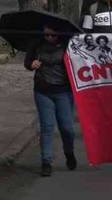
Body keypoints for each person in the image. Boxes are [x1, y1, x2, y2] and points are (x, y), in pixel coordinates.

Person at [25, 26, 75, 177]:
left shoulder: (68, 44)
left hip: (63, 91)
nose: (49, 38)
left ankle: (69, 151)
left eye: (53, 35)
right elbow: (27, 62)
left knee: (67, 128)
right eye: (46, 35)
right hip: (42, 90)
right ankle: (46, 162)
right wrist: (31, 64)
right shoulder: (36, 44)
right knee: (47, 127)